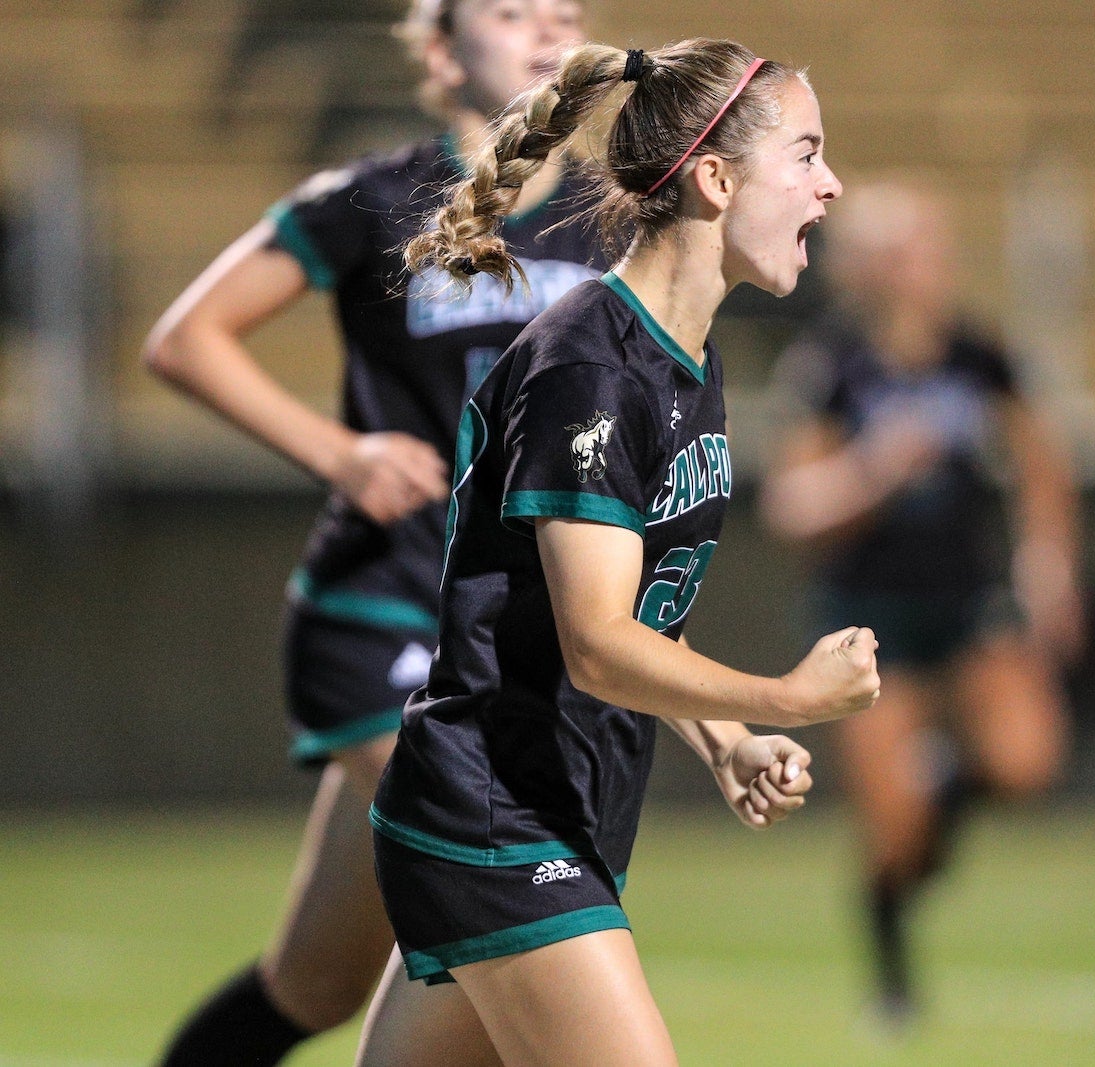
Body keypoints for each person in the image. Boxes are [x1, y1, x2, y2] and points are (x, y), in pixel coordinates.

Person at [351, 38, 876, 1065]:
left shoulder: (684, 353)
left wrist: (724, 738)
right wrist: (787, 697)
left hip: (550, 802)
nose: (831, 183)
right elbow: (595, 646)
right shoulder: (589, 366)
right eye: (806, 155)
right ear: (718, 180)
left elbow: (625, 616)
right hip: (497, 808)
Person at [141, 2, 602, 1062]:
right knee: (506, 898)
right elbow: (186, 338)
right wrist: (338, 452)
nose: (545, 29)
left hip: (502, 648)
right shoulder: (377, 197)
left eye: (563, 12)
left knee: (312, 984)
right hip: (380, 612)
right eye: (509, 10)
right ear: (440, 53)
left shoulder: (615, 217)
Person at [760, 180, 1083, 1027]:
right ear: (864, 268)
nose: (922, 269)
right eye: (902, 253)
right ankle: (892, 964)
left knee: (1026, 761)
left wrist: (1047, 564)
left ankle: (945, 785)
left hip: (969, 599)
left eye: (930, 249)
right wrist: (874, 470)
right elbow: (791, 504)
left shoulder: (979, 356)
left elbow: (1043, 465)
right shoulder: (831, 368)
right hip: (870, 616)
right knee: (894, 826)